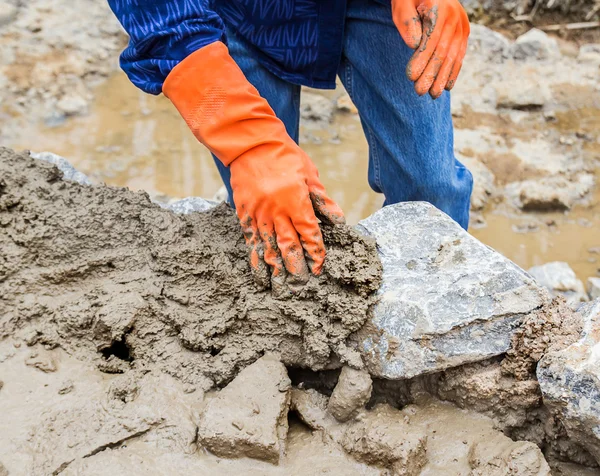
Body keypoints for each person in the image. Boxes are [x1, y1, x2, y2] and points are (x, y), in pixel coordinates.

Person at [107, 0, 473, 290]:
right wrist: (249, 143)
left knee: (432, 187)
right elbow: (158, 13)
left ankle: (436, 324)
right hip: (242, 13)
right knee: (274, 214)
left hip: (375, 6)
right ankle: (292, 338)